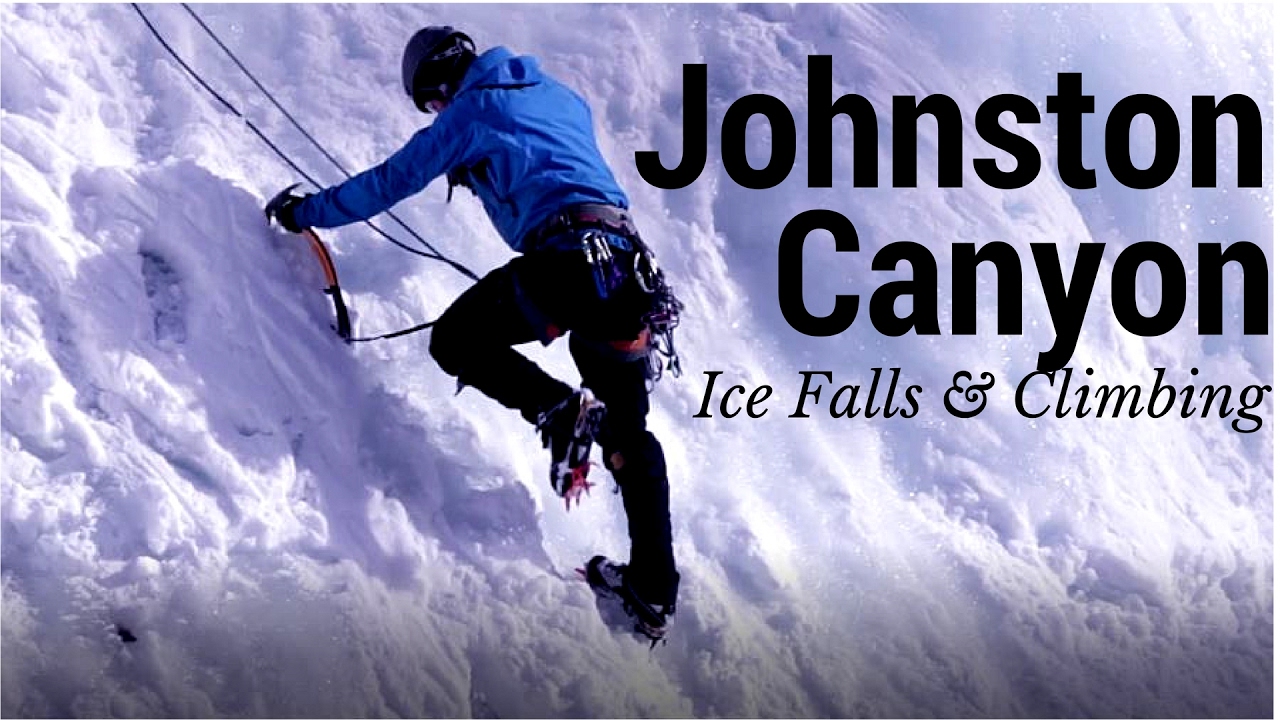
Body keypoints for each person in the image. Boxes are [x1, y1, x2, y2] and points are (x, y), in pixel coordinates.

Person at [265, 26, 681, 641]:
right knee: (629, 432)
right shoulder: (561, 95)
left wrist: (305, 213)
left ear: (439, 86)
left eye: (431, 103)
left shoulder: (470, 110)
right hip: (627, 274)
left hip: (564, 259)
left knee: (457, 340)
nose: (436, 114)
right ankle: (651, 590)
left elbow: (389, 182)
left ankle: (562, 411)